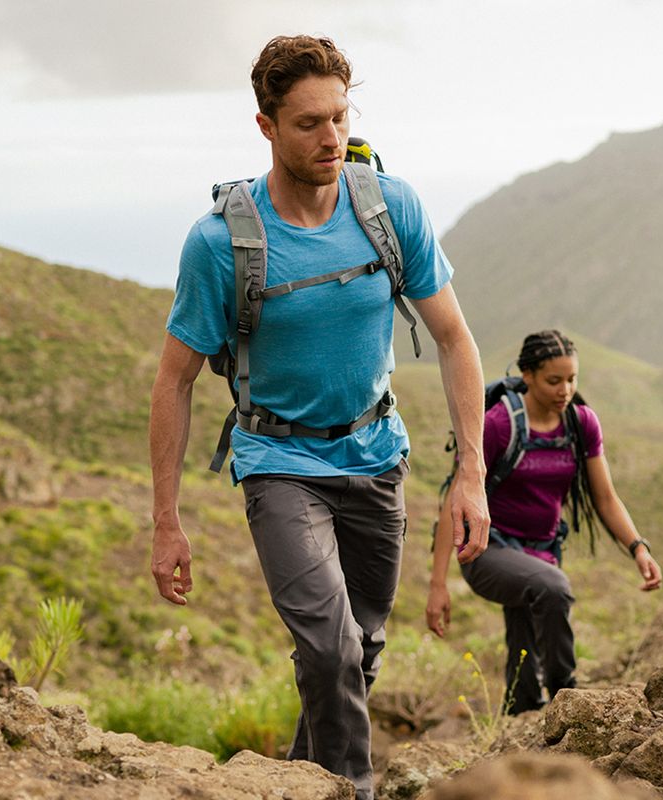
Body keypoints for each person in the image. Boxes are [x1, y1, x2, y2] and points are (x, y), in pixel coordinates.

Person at [149, 35, 489, 800]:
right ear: (266, 126)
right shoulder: (220, 245)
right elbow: (174, 382)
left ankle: (302, 782)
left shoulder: (388, 206)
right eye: (308, 123)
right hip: (279, 464)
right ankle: (354, 792)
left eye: (339, 116)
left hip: (378, 456)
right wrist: (166, 520)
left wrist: (470, 473)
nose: (331, 137)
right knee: (332, 650)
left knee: (357, 652)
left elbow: (454, 337)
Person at [426, 330, 662, 714]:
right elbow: (452, 502)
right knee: (552, 589)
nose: (565, 389)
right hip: (488, 551)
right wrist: (438, 586)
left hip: (542, 552)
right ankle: (567, 697)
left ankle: (524, 719)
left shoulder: (581, 423)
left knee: (525, 647)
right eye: (554, 380)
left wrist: (638, 548)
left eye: (572, 379)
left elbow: (605, 497)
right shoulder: (499, 425)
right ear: (528, 374)